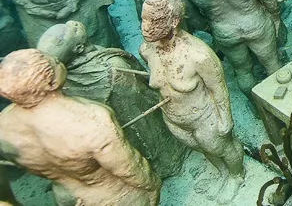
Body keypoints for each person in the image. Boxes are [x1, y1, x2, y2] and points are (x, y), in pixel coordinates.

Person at [0, 49, 161, 206]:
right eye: (56, 62)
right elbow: (129, 168)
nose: (59, 62)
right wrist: (153, 185)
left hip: (66, 195)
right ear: (51, 82)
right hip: (114, 196)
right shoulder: (90, 120)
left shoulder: (4, 125)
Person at [36, 21, 187, 178]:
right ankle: (167, 162)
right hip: (137, 118)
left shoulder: (65, 79)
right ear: (78, 48)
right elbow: (143, 96)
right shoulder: (113, 69)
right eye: (70, 30)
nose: (72, 24)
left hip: (116, 124)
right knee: (146, 132)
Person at [139, 0, 245, 202]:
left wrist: (226, 119)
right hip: (174, 118)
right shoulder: (146, 50)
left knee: (222, 146)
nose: (146, 26)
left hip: (203, 116)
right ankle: (222, 172)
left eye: (155, 20)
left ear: (174, 21)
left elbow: (219, 88)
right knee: (201, 148)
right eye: (143, 18)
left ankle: (236, 175)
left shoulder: (199, 55)